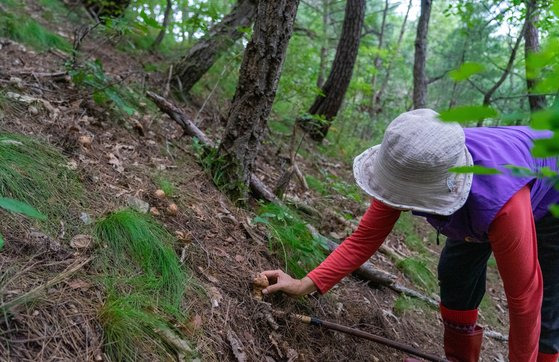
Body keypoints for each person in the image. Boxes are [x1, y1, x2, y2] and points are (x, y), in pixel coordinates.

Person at [260, 109, 559, 362]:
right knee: (455, 273)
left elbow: (524, 299)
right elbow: (364, 239)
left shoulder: (504, 208)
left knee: (546, 302)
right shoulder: (416, 159)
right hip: (489, 186)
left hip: (549, 192)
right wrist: (303, 284)